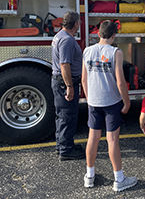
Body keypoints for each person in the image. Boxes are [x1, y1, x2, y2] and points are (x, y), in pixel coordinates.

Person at [81, 20, 137, 191]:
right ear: (114, 35)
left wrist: (90, 98)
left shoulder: (87, 50)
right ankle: (119, 180)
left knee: (93, 138)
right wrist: (126, 102)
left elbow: (84, 79)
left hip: (94, 102)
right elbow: (121, 82)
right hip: (111, 102)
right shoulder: (116, 52)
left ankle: (89, 176)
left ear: (98, 34)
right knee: (112, 140)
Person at [51, 11, 85, 161]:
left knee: (62, 115)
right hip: (65, 82)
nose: (80, 25)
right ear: (75, 24)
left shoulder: (59, 35)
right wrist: (70, 86)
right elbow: (64, 65)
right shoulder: (67, 40)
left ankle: (63, 144)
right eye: (79, 22)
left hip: (61, 81)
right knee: (68, 116)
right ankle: (66, 150)